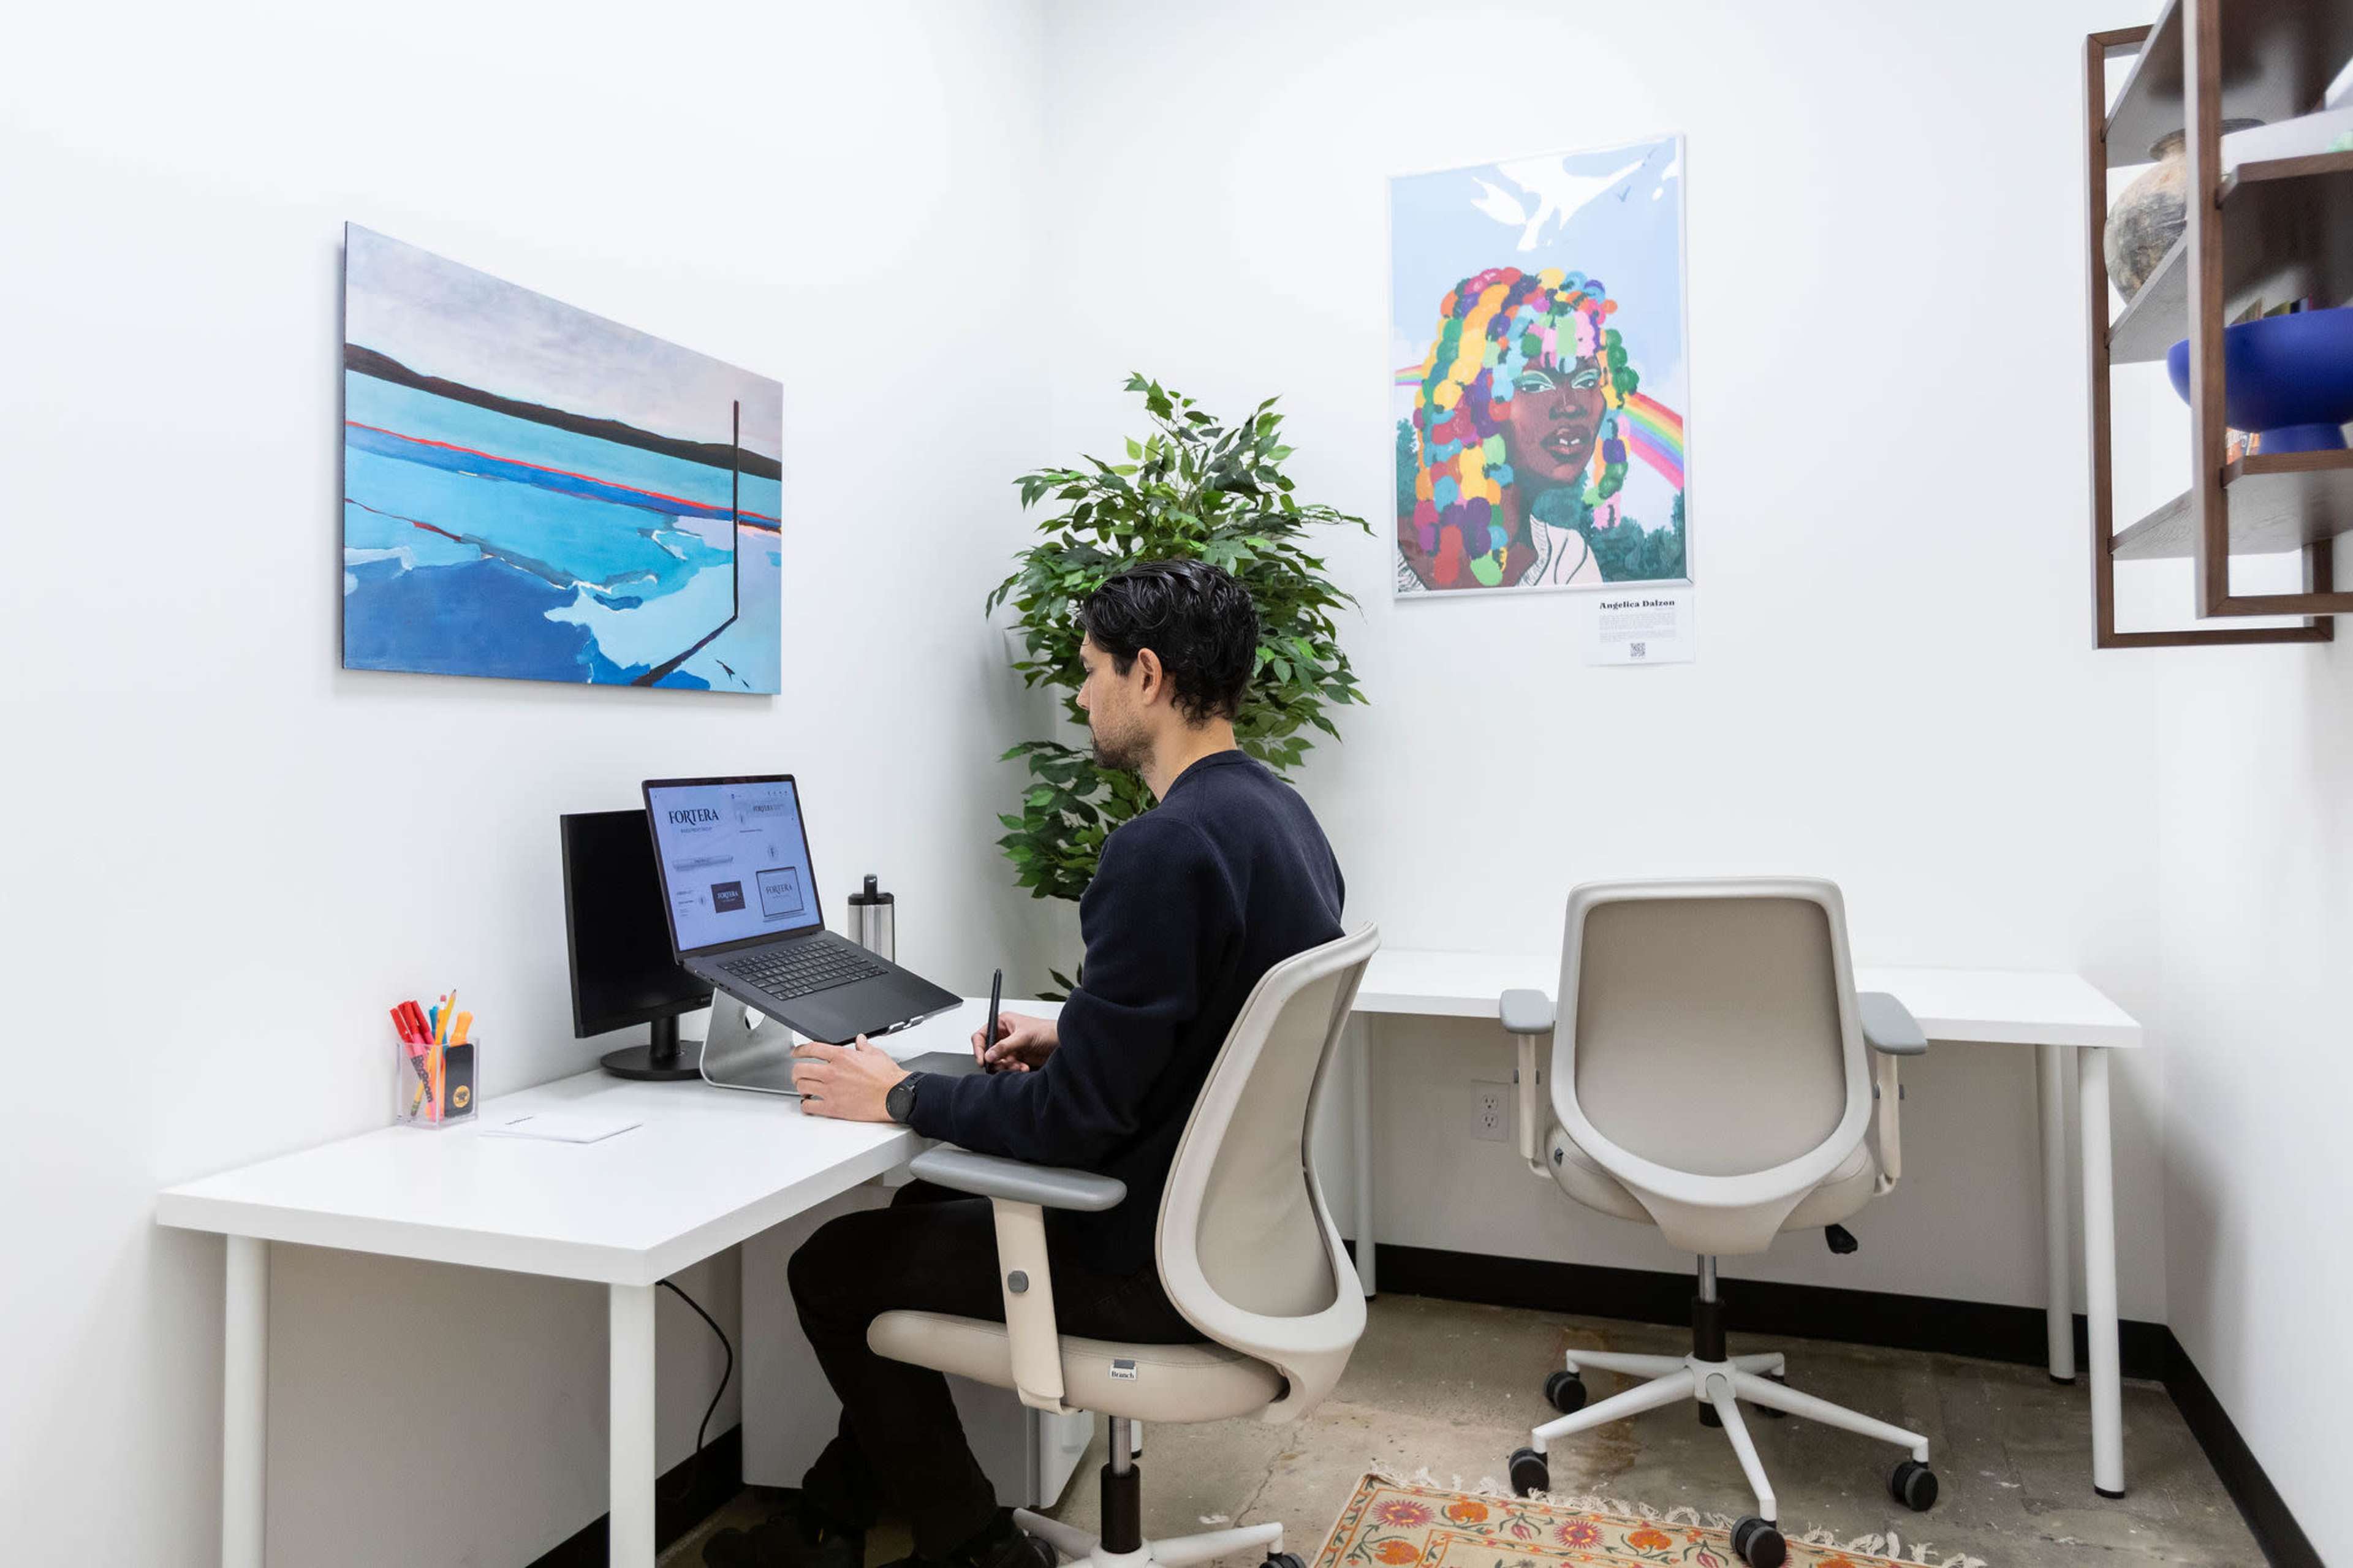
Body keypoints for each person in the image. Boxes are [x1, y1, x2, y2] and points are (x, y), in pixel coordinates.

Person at [705, 559, 1345, 1568]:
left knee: (829, 1267)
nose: (1082, 695)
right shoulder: (1282, 818)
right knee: (912, 1217)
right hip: (1233, 1232)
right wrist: (1078, 1030)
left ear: (1146, 674)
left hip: (1145, 1257)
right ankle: (833, 1515)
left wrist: (902, 1091)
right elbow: (1214, 1021)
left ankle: (971, 1544)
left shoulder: (1160, 848)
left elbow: (1073, 1125)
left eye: (1090, 670)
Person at [1396, 265, 1647, 592]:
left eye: (1587, 379)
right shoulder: (1393, 555)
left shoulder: (1570, 561)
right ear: (1472, 401)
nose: (1570, 404)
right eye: (1535, 382)